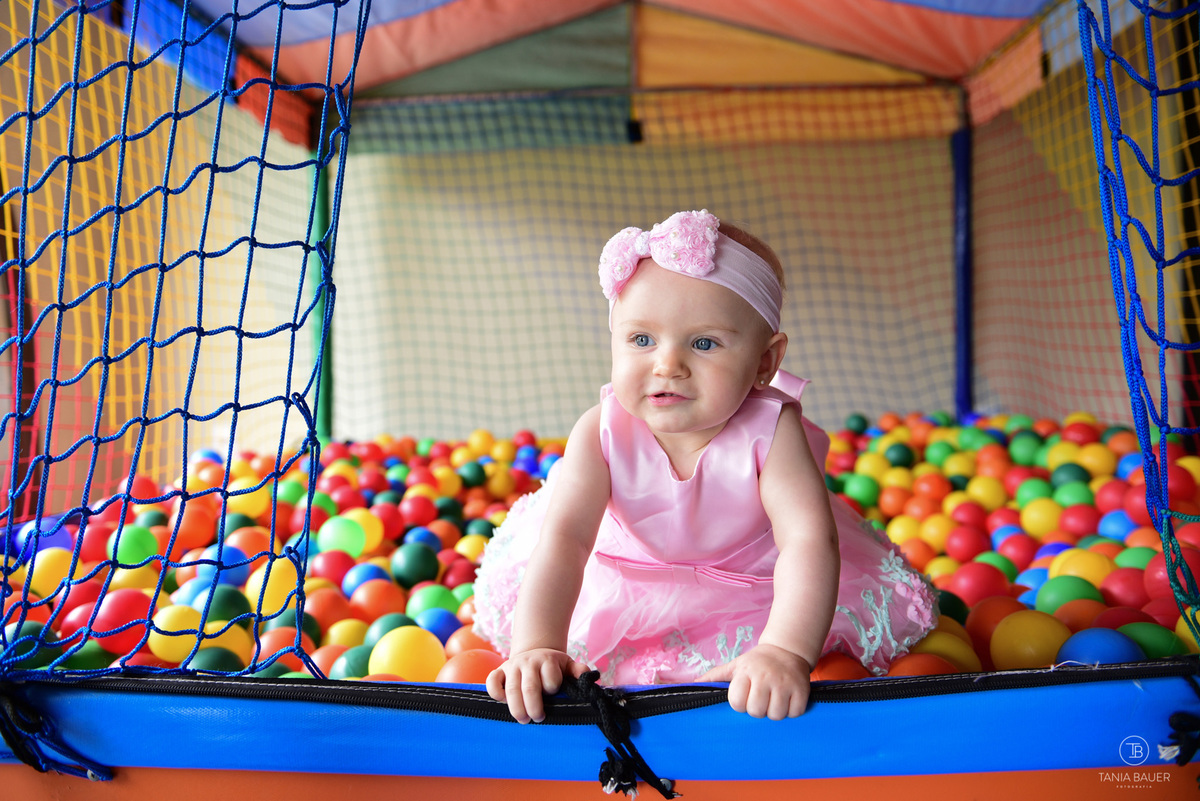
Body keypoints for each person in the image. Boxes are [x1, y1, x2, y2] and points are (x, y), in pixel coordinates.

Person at [473, 210, 937, 724]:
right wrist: (537, 645)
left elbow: (807, 542)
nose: (667, 365)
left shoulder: (772, 432)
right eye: (641, 340)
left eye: (704, 343)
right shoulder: (601, 431)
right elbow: (566, 540)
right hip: (624, 577)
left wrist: (785, 651)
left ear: (765, 363)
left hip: (750, 582)